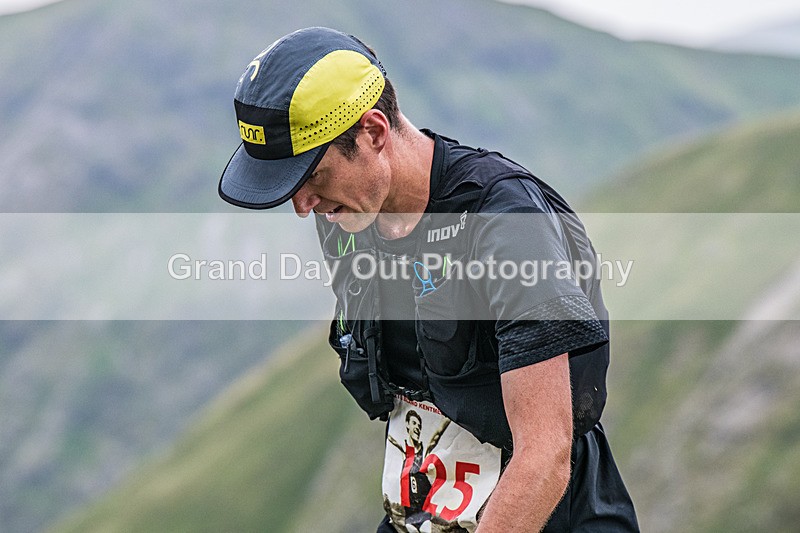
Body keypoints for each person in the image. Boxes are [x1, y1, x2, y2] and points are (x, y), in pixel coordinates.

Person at [219, 27, 638, 532]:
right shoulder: (346, 214)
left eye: (311, 176)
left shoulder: (503, 221)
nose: (303, 205)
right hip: (422, 514)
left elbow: (546, 454)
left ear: (373, 133)